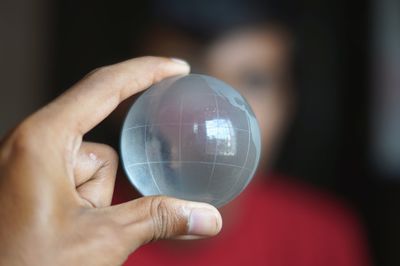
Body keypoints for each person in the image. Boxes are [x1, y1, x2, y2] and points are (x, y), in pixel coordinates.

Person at [0, 57, 222, 265]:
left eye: (254, 80)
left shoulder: (259, 232)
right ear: (127, 104)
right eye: (179, 92)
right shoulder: (84, 205)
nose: (201, 109)